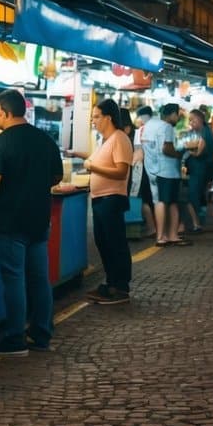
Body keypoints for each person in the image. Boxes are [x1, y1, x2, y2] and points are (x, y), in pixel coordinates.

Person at [0, 89, 64, 355]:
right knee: (39, 279)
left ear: (5, 112)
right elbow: (56, 176)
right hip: (39, 218)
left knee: (14, 279)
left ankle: (15, 339)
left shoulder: (1, 143)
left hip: (11, 220)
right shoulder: (44, 139)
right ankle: (42, 336)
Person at [83, 99, 133, 305]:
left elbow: (121, 172)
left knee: (115, 243)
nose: (93, 121)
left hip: (112, 198)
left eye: (96, 116)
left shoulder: (119, 138)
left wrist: (92, 167)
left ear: (108, 117)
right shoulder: (107, 140)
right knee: (104, 242)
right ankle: (111, 282)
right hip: (101, 198)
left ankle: (120, 288)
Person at [144, 104, 188, 247]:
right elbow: (166, 148)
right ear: (172, 114)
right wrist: (180, 154)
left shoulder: (149, 125)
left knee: (160, 201)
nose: (178, 118)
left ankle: (164, 235)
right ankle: (167, 236)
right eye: (178, 115)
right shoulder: (167, 127)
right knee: (169, 202)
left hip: (152, 169)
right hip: (168, 171)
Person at [182, 108, 213, 234]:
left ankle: (197, 223)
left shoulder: (204, 132)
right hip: (200, 169)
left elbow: (199, 151)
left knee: (193, 195)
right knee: (197, 195)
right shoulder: (204, 130)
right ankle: (198, 222)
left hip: (200, 169)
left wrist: (188, 150)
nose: (190, 122)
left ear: (200, 119)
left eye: (192, 120)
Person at [132, 106, 158, 240]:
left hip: (143, 171)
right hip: (157, 169)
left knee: (144, 198)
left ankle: (152, 227)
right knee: (154, 199)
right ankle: (158, 228)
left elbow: (138, 153)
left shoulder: (140, 131)